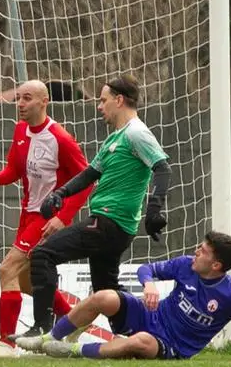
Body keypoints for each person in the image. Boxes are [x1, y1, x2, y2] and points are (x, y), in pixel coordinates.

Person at [14, 74, 171, 341]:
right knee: (106, 291)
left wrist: (154, 209)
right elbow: (90, 173)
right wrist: (61, 193)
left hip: (110, 222)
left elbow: (162, 168)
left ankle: (42, 329)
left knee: (42, 254)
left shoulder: (136, 132)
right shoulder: (115, 139)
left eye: (103, 100)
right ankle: (141, 333)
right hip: (113, 225)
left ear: (119, 100)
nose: (99, 106)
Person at [17, 231, 231, 361]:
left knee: (141, 341)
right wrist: (149, 283)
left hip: (171, 345)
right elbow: (146, 269)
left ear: (217, 265)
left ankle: (72, 350)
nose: (196, 252)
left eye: (204, 251)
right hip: (149, 315)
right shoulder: (187, 265)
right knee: (104, 297)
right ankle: (49, 338)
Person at [0, 79, 93, 357]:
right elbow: (14, 170)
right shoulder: (20, 130)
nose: (20, 104)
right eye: (18, 98)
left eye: (27, 98)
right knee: (27, 281)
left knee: (7, 270)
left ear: (44, 101)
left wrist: (63, 217)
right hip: (26, 216)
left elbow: (87, 181)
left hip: (47, 217)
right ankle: (75, 320)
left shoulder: (61, 139)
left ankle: (6, 344)